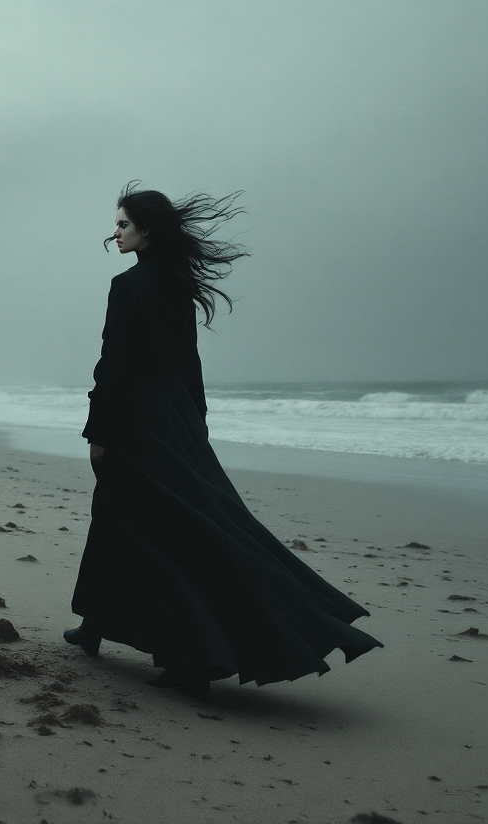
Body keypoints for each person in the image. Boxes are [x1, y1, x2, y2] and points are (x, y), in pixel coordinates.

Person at [65, 183, 382, 699]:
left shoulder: (128, 287)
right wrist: (197, 423)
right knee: (124, 517)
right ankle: (94, 625)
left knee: (149, 527)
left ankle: (192, 662)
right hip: (177, 420)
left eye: (122, 224)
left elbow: (115, 365)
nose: (115, 232)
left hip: (136, 422)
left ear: (146, 230)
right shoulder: (176, 286)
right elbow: (190, 364)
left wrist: (98, 431)